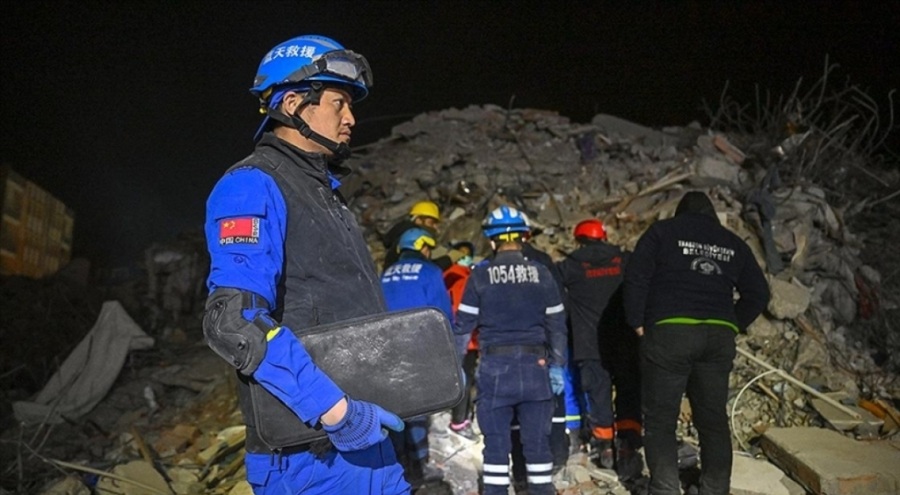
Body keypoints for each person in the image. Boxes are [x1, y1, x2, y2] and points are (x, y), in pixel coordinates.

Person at [202, 35, 409, 494]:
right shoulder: (251, 186)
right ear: (294, 104)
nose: (351, 118)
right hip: (310, 454)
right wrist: (336, 412)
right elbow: (233, 320)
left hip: (367, 439)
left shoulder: (327, 197)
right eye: (339, 103)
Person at [624, 191, 769, 495]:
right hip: (717, 338)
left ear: (680, 213)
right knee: (712, 419)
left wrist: (637, 321)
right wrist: (732, 324)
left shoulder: (662, 232)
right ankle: (715, 488)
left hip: (670, 332)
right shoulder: (733, 243)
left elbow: (636, 277)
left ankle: (664, 489)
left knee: (661, 420)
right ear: (712, 215)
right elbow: (759, 293)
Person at [455, 205, 568, 495]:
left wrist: (455, 368)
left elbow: (463, 328)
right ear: (523, 237)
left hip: (495, 371)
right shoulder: (541, 274)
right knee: (538, 447)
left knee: (495, 448)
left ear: (492, 241)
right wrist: (557, 366)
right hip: (536, 368)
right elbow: (557, 326)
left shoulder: (480, 276)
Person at [557, 219, 642, 479]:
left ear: (578, 240)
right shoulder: (624, 261)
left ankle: (605, 447)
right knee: (629, 392)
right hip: (625, 341)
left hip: (589, 345)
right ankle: (627, 446)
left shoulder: (570, 266)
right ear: (603, 237)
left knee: (598, 395)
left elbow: (558, 301)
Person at [380, 227, 454, 489]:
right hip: (418, 347)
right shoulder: (430, 272)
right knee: (419, 410)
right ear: (422, 247)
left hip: (386, 349)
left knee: (395, 409)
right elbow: (442, 314)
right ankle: (419, 466)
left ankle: (399, 467)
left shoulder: (386, 273)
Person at [443, 240, 479, 440]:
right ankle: (459, 421)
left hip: (449, 334)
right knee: (465, 377)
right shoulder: (466, 278)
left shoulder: (445, 274)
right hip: (467, 338)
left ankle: (457, 415)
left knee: (458, 376)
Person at [383, 201, 453, 270]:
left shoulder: (402, 235)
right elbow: (422, 269)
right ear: (418, 220)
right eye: (431, 223)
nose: (435, 228)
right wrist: (450, 259)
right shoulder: (414, 238)